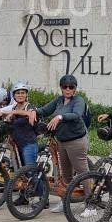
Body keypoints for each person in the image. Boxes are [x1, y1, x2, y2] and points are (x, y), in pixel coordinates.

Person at [37, 74, 91, 213]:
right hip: (62, 141)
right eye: (65, 87)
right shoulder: (59, 101)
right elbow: (44, 110)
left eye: (71, 87)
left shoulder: (78, 100)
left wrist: (60, 117)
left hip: (77, 141)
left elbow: (77, 114)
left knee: (82, 173)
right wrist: (32, 111)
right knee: (66, 174)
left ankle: (91, 205)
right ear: (61, 88)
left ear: (75, 89)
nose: (68, 89)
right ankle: (64, 202)